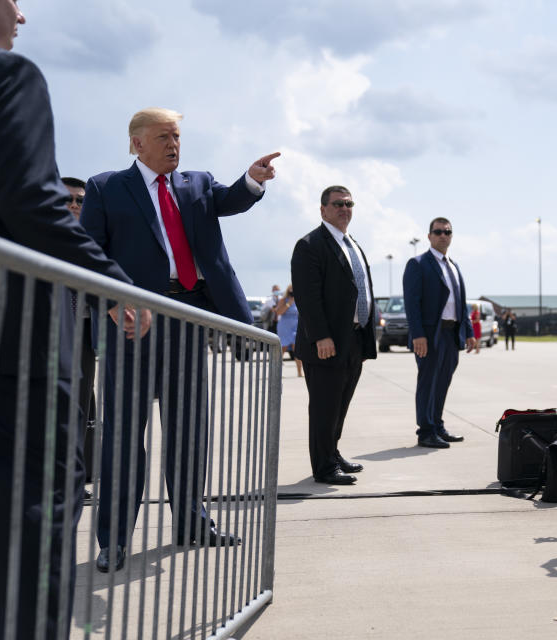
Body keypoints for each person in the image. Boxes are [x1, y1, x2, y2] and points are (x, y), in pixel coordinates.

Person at [0, 3, 139, 637]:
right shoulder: (6, 77)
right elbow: (31, 201)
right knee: (36, 502)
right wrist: (116, 285)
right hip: (11, 342)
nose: (22, 13)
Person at [81, 107, 278, 572]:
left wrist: (251, 180)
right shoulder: (106, 187)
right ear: (137, 144)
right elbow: (89, 253)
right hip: (131, 324)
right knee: (125, 435)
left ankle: (192, 524)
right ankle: (114, 540)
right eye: (164, 137)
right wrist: (111, 305)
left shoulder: (197, 183)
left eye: (178, 137)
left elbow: (230, 200)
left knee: (190, 431)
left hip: (188, 320)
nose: (174, 145)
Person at [292, 186, 377, 484]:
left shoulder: (351, 243)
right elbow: (307, 297)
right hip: (327, 343)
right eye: (338, 203)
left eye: (349, 203)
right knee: (324, 408)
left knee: (340, 405)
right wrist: (320, 336)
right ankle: (324, 467)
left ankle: (333, 453)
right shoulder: (310, 245)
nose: (344, 208)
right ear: (323, 209)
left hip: (353, 339)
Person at [403, 217, 477, 449]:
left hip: (451, 334)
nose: (443, 235)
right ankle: (425, 431)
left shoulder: (454, 266)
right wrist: (417, 335)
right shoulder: (418, 264)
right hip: (429, 335)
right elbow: (412, 303)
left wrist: (469, 332)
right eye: (438, 232)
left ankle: (437, 425)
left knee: (443, 382)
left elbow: (461, 303)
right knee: (428, 382)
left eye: (447, 232)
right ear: (429, 236)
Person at [62, 176, 97, 497]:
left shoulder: (93, 240)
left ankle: (73, 477)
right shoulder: (38, 234)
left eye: (80, 200)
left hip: (84, 331)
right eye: (67, 199)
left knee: (81, 407)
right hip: (47, 331)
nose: (74, 205)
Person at [276, 284, 302, 377]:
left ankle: (299, 372)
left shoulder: (299, 299)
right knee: (282, 348)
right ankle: (277, 373)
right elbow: (278, 312)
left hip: (295, 326)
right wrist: (289, 303)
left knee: (297, 349)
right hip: (284, 326)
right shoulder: (283, 300)